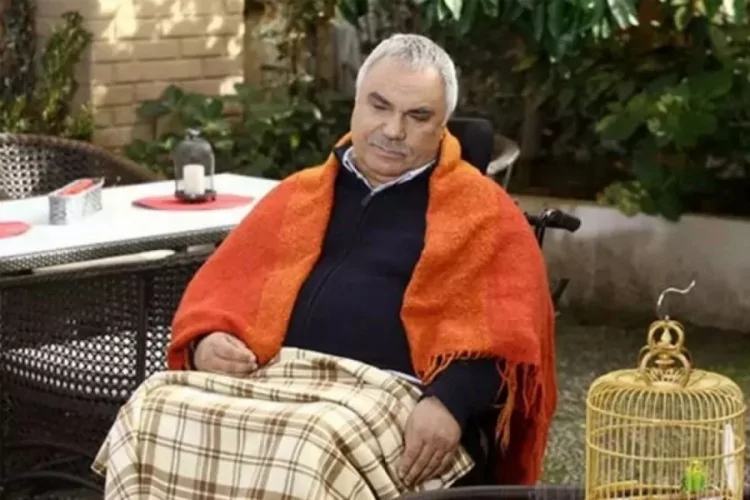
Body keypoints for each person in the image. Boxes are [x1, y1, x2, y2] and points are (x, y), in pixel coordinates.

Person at [95, 34, 557, 498]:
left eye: (417, 116)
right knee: (148, 407)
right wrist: (207, 343)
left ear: (442, 127)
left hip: (390, 394)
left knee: (309, 447)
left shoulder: (482, 212)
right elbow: (218, 297)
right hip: (270, 378)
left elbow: (511, 341)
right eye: (379, 106)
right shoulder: (297, 194)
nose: (393, 130)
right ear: (356, 105)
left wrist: (450, 402)